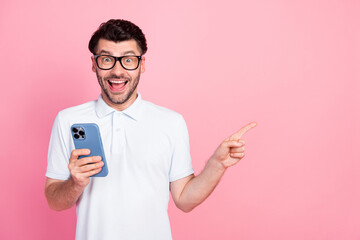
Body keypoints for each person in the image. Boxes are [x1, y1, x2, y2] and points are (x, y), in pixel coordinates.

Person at [44, 19, 257, 240]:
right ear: (94, 63)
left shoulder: (170, 122)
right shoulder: (68, 120)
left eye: (128, 60)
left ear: (142, 64)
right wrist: (75, 183)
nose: (117, 71)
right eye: (107, 59)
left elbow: (184, 199)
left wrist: (217, 164)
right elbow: (54, 201)